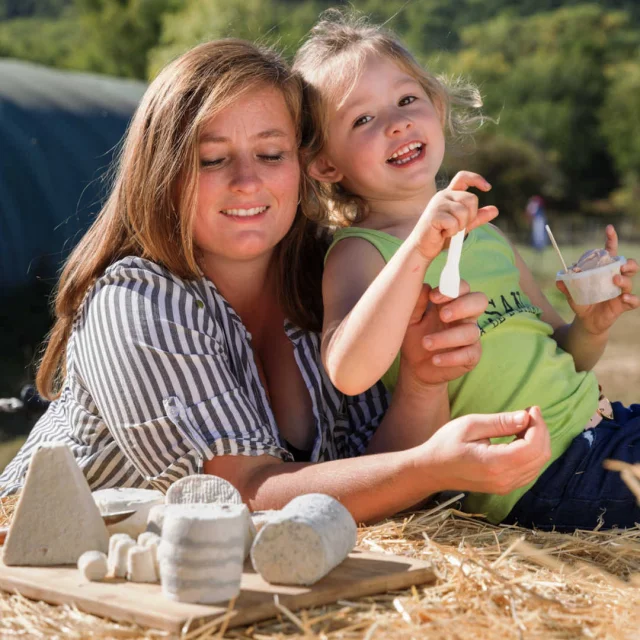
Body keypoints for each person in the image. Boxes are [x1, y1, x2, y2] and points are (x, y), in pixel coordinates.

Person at [0, 39, 551, 525]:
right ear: (161, 172)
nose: (248, 181)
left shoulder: (330, 280)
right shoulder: (137, 300)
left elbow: (376, 475)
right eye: (213, 159)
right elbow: (234, 496)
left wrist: (422, 387)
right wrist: (427, 466)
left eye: (271, 154)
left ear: (306, 166)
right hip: (59, 574)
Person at [293, 11, 640, 531]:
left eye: (407, 100)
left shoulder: (486, 232)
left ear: (435, 106)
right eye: (362, 120)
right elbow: (349, 370)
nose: (397, 122)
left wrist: (591, 324)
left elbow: (565, 354)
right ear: (325, 165)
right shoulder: (361, 253)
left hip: (607, 428)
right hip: (542, 476)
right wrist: (418, 249)